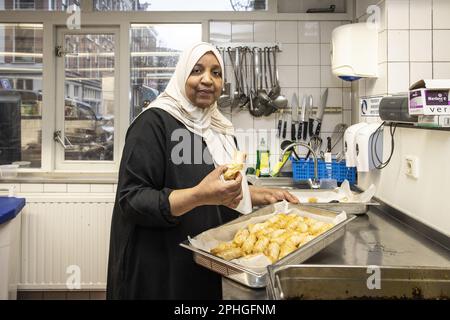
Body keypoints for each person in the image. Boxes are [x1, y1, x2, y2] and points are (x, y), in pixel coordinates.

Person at [106, 42, 299, 300]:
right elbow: (132, 200)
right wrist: (198, 195)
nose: (207, 80)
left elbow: (218, 185)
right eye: (197, 70)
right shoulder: (153, 123)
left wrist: (254, 194)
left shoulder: (218, 128)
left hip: (204, 260)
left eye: (216, 73)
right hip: (159, 267)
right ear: (182, 74)